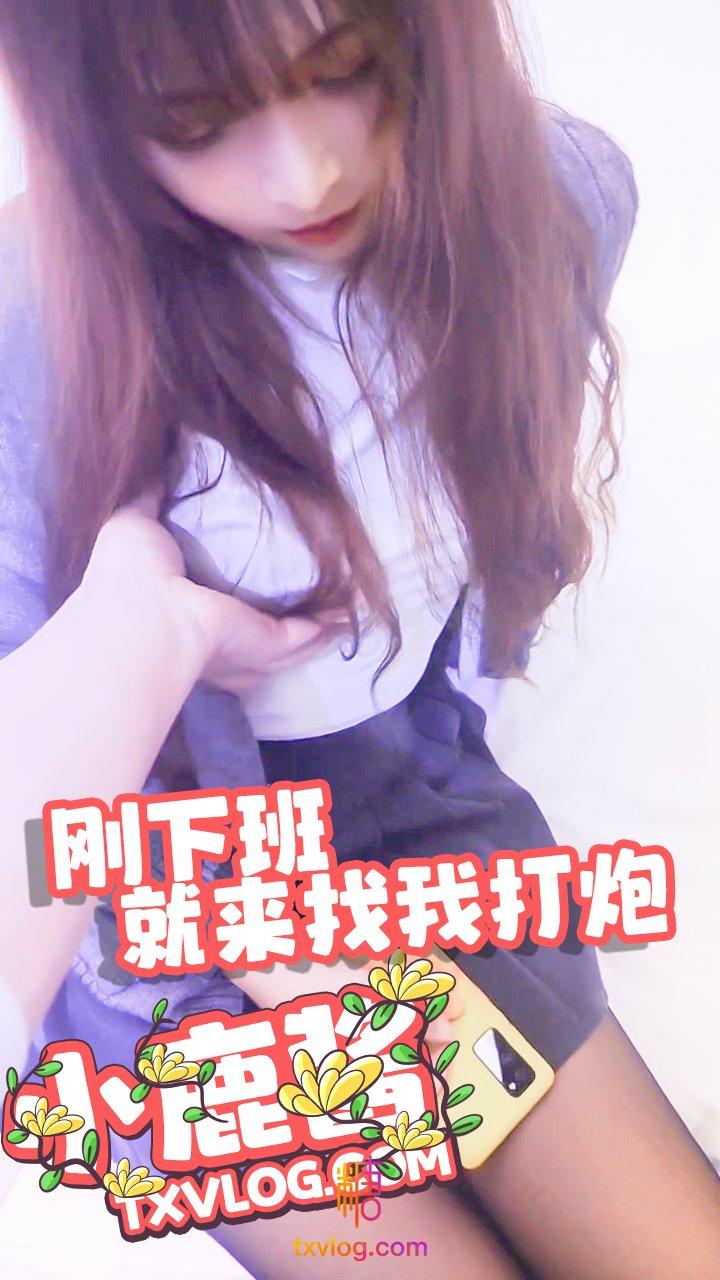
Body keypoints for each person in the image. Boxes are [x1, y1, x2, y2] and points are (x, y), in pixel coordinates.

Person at [0, 1, 718, 1276]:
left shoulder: (560, 196)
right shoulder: (33, 329)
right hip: (150, 889)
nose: (304, 172)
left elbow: (479, 573)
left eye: (346, 71)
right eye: (197, 120)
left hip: (409, 811)